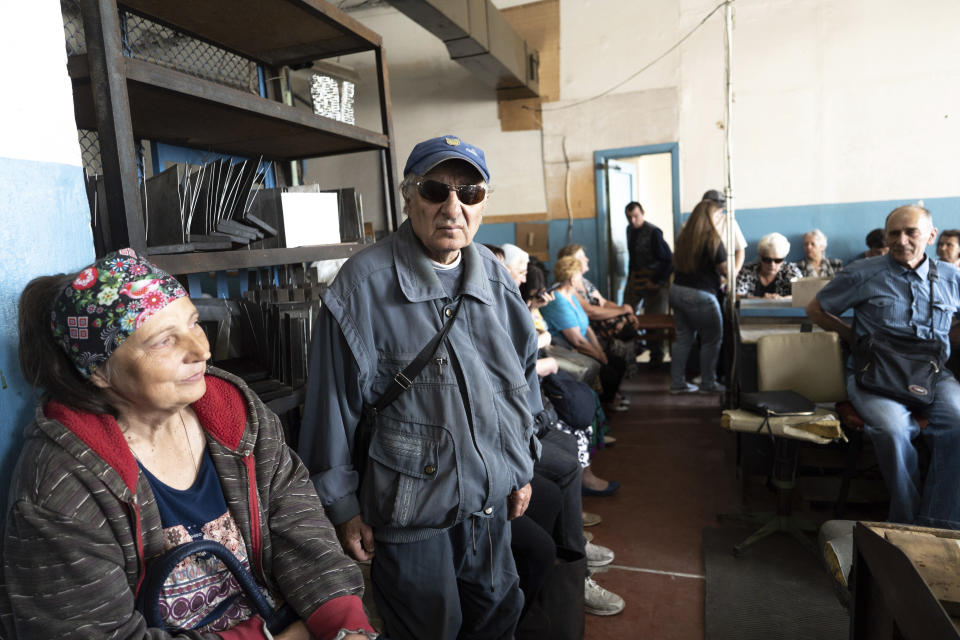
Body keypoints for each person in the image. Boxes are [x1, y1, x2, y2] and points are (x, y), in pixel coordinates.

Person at [0, 249, 375, 640]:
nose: (202, 350)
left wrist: (344, 623)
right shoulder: (61, 486)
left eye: (194, 323)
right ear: (99, 371)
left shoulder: (236, 416)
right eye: (164, 341)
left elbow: (298, 525)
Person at [298, 135, 541, 640]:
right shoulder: (361, 286)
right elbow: (332, 410)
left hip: (489, 504)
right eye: (435, 190)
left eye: (469, 193)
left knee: (499, 614)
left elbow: (522, 382)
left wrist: (522, 465)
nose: (453, 207)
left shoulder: (496, 280)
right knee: (430, 627)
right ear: (408, 196)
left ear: (483, 203)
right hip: (412, 511)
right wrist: (343, 508)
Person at [807, 205, 960, 529]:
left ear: (931, 236)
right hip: (874, 374)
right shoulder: (863, 272)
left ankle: (939, 523)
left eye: (911, 232)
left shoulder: (951, 277)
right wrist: (853, 338)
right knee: (893, 430)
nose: (901, 240)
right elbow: (816, 309)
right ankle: (906, 522)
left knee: (958, 423)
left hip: (932, 375)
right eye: (894, 233)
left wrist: (946, 340)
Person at [541, 256, 626, 409]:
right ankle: (604, 406)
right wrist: (599, 355)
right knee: (608, 372)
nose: (582, 280)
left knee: (617, 361)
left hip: (582, 346)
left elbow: (586, 326)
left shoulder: (572, 295)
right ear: (573, 279)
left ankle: (608, 400)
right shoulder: (558, 301)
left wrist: (599, 351)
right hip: (568, 349)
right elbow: (577, 341)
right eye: (580, 276)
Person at [669, 199, 727, 394]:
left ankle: (677, 383)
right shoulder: (713, 238)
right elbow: (727, 271)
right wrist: (740, 256)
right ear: (711, 216)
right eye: (719, 215)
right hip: (701, 295)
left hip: (677, 290)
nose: (721, 219)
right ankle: (708, 383)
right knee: (711, 339)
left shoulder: (685, 237)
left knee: (683, 338)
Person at [559, 244, 640, 379]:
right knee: (620, 344)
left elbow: (603, 302)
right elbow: (590, 312)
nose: (586, 259)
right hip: (592, 329)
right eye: (581, 257)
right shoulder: (568, 286)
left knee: (630, 328)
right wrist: (621, 311)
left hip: (602, 326)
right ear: (570, 263)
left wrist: (626, 311)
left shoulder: (585, 282)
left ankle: (619, 385)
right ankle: (613, 388)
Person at [623, 201, 673, 365]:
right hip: (636, 279)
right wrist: (630, 277)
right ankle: (629, 354)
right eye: (629, 217)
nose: (633, 221)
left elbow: (668, 261)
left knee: (654, 319)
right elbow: (632, 257)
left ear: (642, 214)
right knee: (624, 313)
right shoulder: (629, 230)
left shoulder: (654, 233)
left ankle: (656, 356)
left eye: (636, 216)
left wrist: (655, 281)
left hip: (657, 282)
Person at [735, 232, 802, 299]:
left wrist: (782, 299)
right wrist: (761, 300)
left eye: (778, 260)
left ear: (784, 258)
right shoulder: (747, 270)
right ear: (760, 257)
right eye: (767, 260)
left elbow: (802, 295)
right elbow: (736, 296)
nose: (772, 265)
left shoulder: (791, 270)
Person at [703, 189, 746, 272]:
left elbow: (740, 249)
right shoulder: (694, 224)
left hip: (724, 271)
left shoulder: (728, 221)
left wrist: (734, 272)